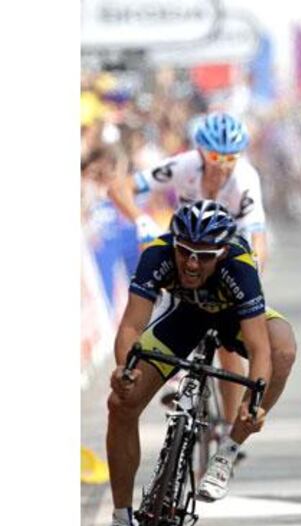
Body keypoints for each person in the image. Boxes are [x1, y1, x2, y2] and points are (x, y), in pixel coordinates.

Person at [95, 201, 296, 526]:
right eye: (185, 252)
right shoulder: (158, 253)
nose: (191, 263)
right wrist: (126, 370)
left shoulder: (240, 264)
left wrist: (254, 401)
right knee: (119, 404)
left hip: (233, 320)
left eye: (203, 257)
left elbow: (258, 347)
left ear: (220, 253)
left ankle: (228, 451)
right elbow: (130, 326)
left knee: (283, 345)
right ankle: (121, 522)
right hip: (184, 320)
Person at [108, 111, 269, 432]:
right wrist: (141, 221)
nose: (222, 165)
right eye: (214, 156)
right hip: (187, 253)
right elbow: (119, 187)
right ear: (199, 152)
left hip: (226, 258)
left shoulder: (245, 179)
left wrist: (251, 278)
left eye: (230, 157)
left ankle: (227, 426)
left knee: (227, 343)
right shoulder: (183, 165)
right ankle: (172, 378)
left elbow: (257, 240)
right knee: (169, 306)